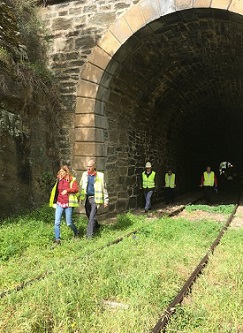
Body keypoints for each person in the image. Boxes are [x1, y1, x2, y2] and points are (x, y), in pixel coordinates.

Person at [49, 165, 79, 244]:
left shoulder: (72, 180)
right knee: (57, 222)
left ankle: (76, 232)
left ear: (66, 172)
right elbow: (56, 191)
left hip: (68, 204)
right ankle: (57, 239)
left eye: (63, 172)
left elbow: (76, 189)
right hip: (59, 203)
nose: (61, 173)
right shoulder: (59, 179)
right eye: (60, 172)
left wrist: (67, 190)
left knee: (69, 223)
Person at [79, 159, 109, 238]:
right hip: (86, 199)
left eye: (90, 166)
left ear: (94, 166)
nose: (88, 168)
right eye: (87, 166)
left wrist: (106, 200)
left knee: (92, 217)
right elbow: (81, 187)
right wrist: (79, 197)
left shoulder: (100, 175)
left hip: (95, 199)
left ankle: (89, 236)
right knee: (89, 215)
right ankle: (97, 226)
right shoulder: (84, 174)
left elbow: (104, 188)